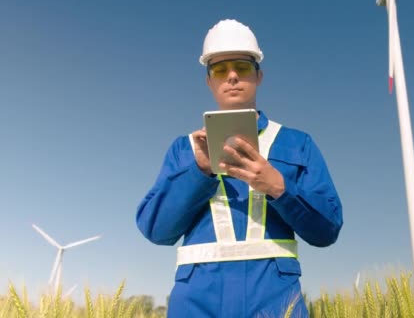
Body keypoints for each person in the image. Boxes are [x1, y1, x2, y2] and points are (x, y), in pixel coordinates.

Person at [136, 19, 343, 317]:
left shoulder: (298, 144)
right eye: (220, 69)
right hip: (196, 304)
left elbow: (328, 230)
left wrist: (280, 189)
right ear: (209, 81)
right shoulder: (186, 149)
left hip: (275, 301)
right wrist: (199, 171)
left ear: (258, 76)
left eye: (242, 67)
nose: (232, 76)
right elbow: (155, 229)